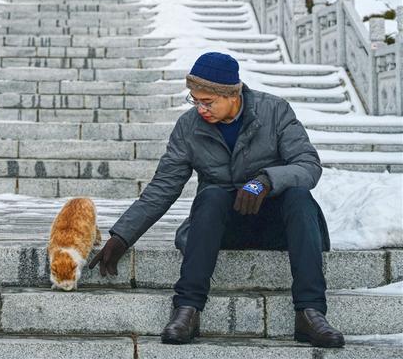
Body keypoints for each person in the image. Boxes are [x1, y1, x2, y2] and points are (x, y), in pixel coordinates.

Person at [89, 51, 344, 348]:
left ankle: (310, 313)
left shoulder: (275, 111)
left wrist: (266, 181)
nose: (200, 109)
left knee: (300, 197)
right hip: (221, 227)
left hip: (280, 227)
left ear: (233, 94)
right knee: (210, 195)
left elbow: (308, 165)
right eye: (195, 100)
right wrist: (122, 235)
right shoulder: (189, 127)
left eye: (207, 102)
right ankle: (187, 310)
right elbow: (163, 187)